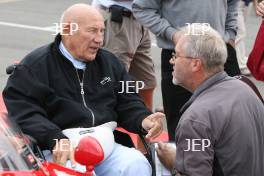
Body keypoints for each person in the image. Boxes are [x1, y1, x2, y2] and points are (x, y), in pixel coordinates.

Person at [3, 4, 164, 176]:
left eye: (102, 31)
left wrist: (143, 119)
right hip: (60, 147)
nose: (99, 39)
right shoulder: (34, 66)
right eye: (92, 31)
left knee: (136, 164)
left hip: (105, 143)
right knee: (73, 170)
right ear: (67, 30)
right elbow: (25, 113)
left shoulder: (110, 63)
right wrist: (54, 138)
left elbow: (128, 102)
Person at [155, 24, 264, 175]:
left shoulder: (196, 119)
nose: (171, 61)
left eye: (176, 55)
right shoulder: (246, 87)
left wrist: (173, 162)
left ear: (196, 64)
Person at [132, 0, 241, 141]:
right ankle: (183, 162)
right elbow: (142, 8)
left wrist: (230, 33)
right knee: (181, 129)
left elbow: (233, 3)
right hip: (180, 54)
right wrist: (173, 35)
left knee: (233, 122)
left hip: (220, 51)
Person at [92, 0, 156, 111]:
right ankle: (110, 125)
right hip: (117, 18)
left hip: (139, 17)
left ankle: (145, 123)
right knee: (113, 85)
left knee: (146, 83)